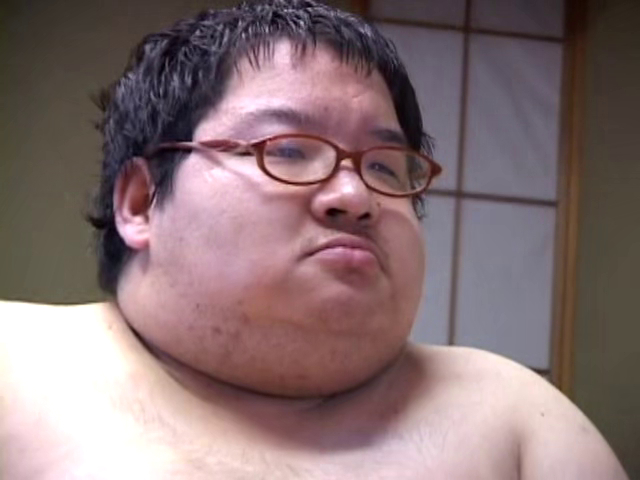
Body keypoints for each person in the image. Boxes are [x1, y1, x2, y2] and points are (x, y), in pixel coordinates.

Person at [0, 1, 628, 478]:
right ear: (141, 202)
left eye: (385, 167)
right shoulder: (17, 367)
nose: (355, 196)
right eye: (287, 150)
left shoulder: (516, 420)